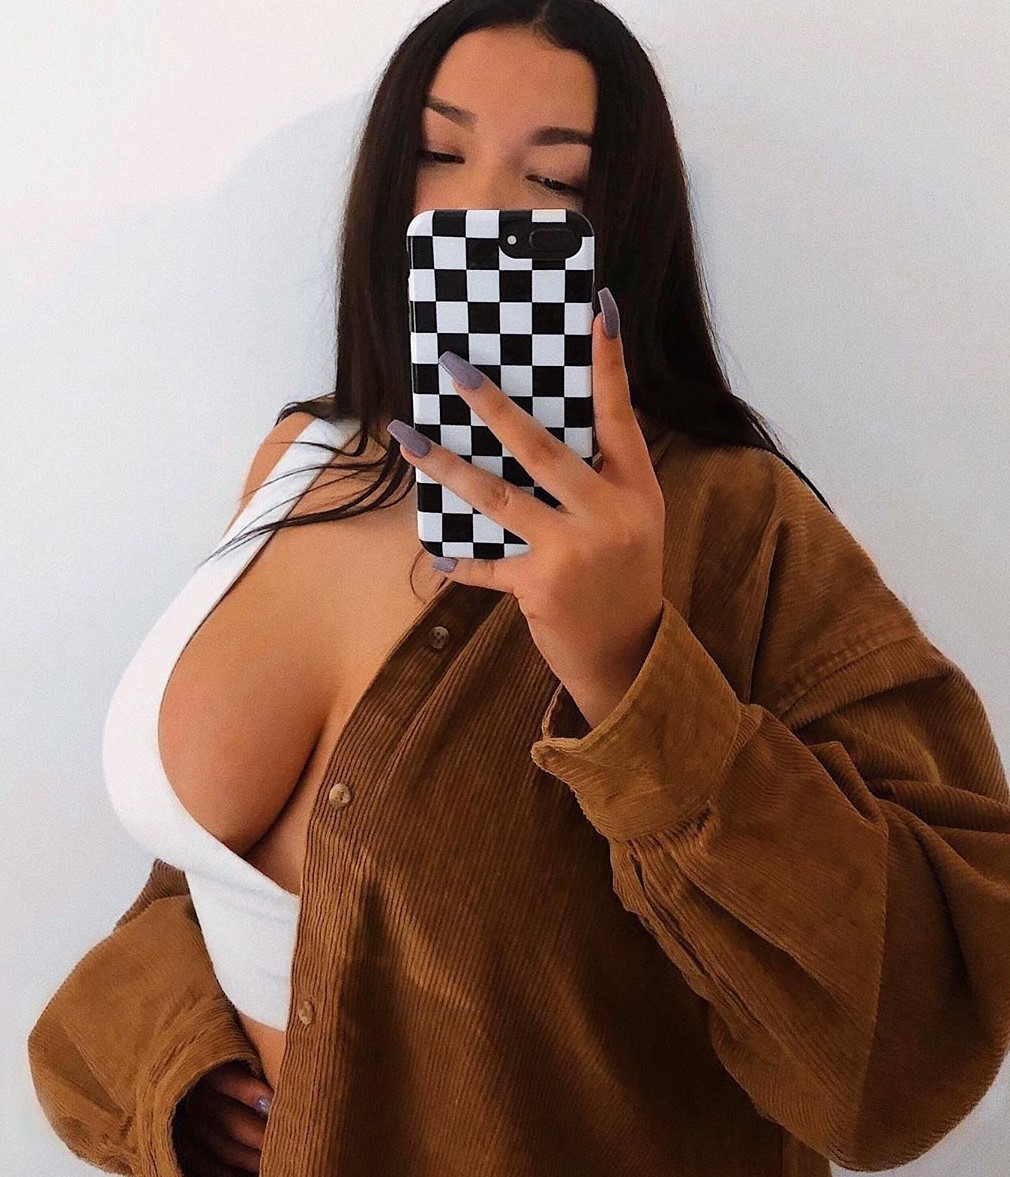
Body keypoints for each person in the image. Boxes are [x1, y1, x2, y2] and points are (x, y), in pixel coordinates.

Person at [27, 2, 1010, 1176]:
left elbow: (907, 1053)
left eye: (552, 181)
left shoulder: (735, 526)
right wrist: (172, 1080)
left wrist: (631, 670)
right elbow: (200, 884)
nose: (479, 207)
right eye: (435, 152)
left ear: (616, 231)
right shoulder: (298, 462)